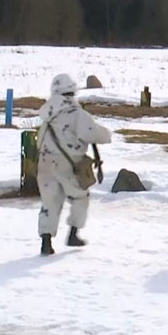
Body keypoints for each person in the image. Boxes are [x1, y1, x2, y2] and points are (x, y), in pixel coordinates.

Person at [36, 74, 111, 256]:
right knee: (80, 197)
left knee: (49, 202)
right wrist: (107, 134)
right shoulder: (76, 114)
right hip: (68, 164)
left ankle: (46, 241)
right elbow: (94, 134)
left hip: (45, 164)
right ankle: (73, 234)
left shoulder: (47, 115)